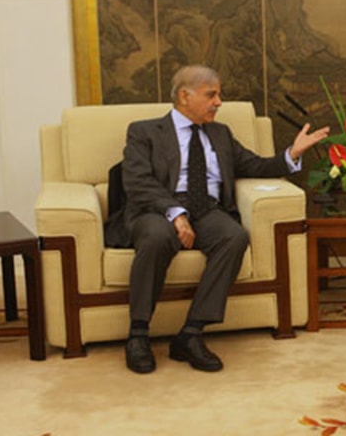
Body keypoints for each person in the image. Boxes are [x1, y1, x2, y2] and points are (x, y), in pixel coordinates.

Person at [119, 65, 329, 374]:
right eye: (211, 95)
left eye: (219, 95)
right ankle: (138, 334)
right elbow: (138, 182)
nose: (219, 102)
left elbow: (254, 166)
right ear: (184, 96)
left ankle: (191, 334)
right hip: (157, 208)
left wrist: (291, 155)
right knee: (157, 236)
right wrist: (176, 215)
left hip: (206, 208)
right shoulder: (144, 131)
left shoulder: (220, 132)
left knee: (234, 236)